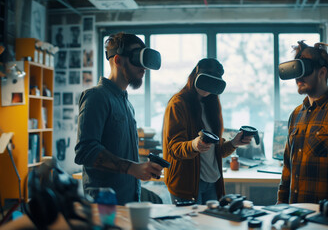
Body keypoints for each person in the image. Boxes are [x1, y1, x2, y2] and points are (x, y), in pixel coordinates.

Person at [75, 33, 163, 205]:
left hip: (128, 201)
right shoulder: (96, 97)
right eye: (137, 59)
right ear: (117, 60)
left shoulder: (127, 104)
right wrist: (132, 168)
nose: (143, 67)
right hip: (105, 206)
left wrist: (141, 168)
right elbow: (85, 151)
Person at [277, 41, 328, 204]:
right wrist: (281, 205)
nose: (298, 79)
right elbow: (287, 168)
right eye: (296, 72)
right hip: (294, 214)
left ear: (322, 73)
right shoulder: (295, 114)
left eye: (304, 71)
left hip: (325, 218)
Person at [162, 58, 253, 205]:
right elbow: (173, 148)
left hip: (213, 181)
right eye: (205, 80)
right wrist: (194, 145)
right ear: (195, 76)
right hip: (187, 184)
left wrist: (234, 143)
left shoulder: (212, 104)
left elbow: (215, 151)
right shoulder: (178, 104)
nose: (208, 88)